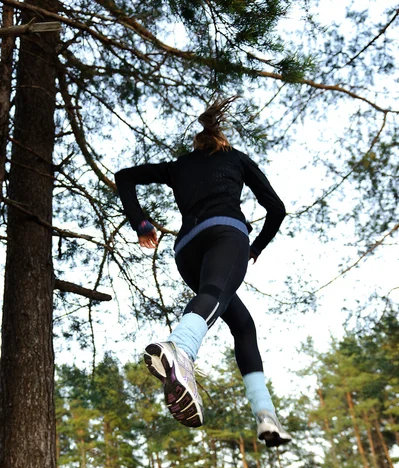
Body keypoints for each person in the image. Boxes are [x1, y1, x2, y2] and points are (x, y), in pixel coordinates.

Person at [115, 97, 292, 447]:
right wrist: (255, 247)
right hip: (227, 234)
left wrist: (141, 222)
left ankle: (265, 412)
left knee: (241, 323)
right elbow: (277, 209)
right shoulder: (237, 159)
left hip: (187, 250)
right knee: (214, 294)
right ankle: (180, 349)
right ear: (219, 139)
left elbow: (125, 177)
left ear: (197, 143)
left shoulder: (179, 166)